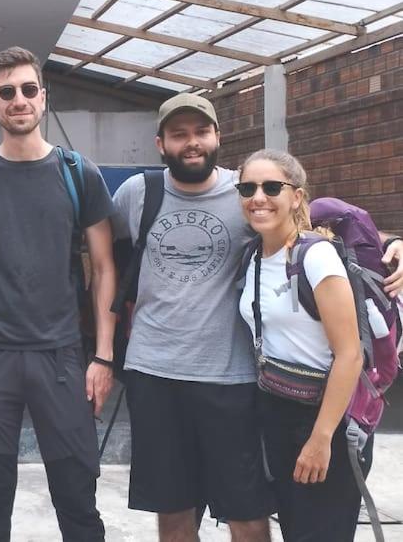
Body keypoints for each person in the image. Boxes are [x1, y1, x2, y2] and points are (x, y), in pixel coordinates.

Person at [110, 93, 403, 542]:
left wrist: (394, 244)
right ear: (160, 143)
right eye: (179, 134)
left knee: (246, 514)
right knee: (172, 512)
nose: (192, 143)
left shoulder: (246, 190)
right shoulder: (136, 193)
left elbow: (316, 221)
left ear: (217, 137)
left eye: (201, 132)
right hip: (155, 376)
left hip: (234, 381)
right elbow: (99, 254)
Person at [0, 46, 116, 542]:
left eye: (28, 89)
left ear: (43, 97)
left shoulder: (78, 173)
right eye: (7, 92)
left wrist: (102, 356)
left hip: (61, 355)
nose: (20, 100)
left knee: (78, 498)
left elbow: (103, 268)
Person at [236, 149, 367, 542]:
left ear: (296, 196)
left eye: (271, 186)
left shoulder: (317, 257)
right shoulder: (254, 255)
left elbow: (350, 353)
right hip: (277, 411)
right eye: (247, 187)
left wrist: (321, 437)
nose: (258, 197)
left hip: (325, 417)